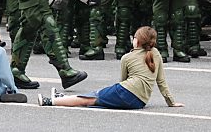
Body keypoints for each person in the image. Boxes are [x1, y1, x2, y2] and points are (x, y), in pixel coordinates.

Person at [38, 27, 184, 109]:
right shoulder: (156, 54)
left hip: (126, 92)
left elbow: (122, 82)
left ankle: (51, 101)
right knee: (95, 99)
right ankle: (63, 98)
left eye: (134, 37)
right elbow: (161, 82)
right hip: (140, 101)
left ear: (137, 41)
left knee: (89, 99)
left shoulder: (127, 57)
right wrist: (171, 102)